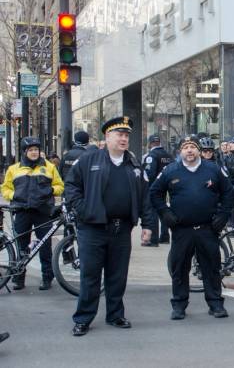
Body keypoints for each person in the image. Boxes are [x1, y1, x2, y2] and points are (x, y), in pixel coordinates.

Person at [64, 116, 156, 337]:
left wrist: (148, 224)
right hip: (93, 229)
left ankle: (115, 315)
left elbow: (145, 197)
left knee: (117, 276)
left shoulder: (134, 164)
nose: (124, 139)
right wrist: (82, 209)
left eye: (126, 135)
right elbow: (71, 185)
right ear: (107, 137)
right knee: (91, 276)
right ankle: (83, 318)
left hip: (121, 229)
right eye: (119, 134)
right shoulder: (89, 160)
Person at [150, 135, 233, 320]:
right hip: (182, 229)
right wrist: (165, 213)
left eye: (193, 147)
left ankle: (215, 304)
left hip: (208, 228)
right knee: (179, 268)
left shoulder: (213, 169)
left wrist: (223, 215)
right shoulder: (170, 171)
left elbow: (228, 193)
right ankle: (179, 305)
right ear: (180, 151)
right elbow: (154, 193)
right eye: (186, 147)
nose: (189, 150)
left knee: (211, 267)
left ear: (199, 151)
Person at [1, 137, 64, 290]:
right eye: (31, 150)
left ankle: (47, 278)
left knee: (44, 245)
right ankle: (19, 279)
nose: (34, 152)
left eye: (36, 150)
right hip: (22, 210)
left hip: (43, 211)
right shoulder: (14, 169)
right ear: (25, 152)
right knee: (22, 245)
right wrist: (13, 195)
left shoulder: (49, 167)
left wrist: (51, 190)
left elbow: (60, 186)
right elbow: (5, 189)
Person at [142, 134, 174, 246]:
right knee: (163, 210)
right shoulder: (169, 155)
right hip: (167, 188)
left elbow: (149, 174)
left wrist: (146, 187)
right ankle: (165, 236)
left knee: (153, 212)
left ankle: (153, 239)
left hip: (155, 188)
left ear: (150, 143)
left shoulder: (151, 156)